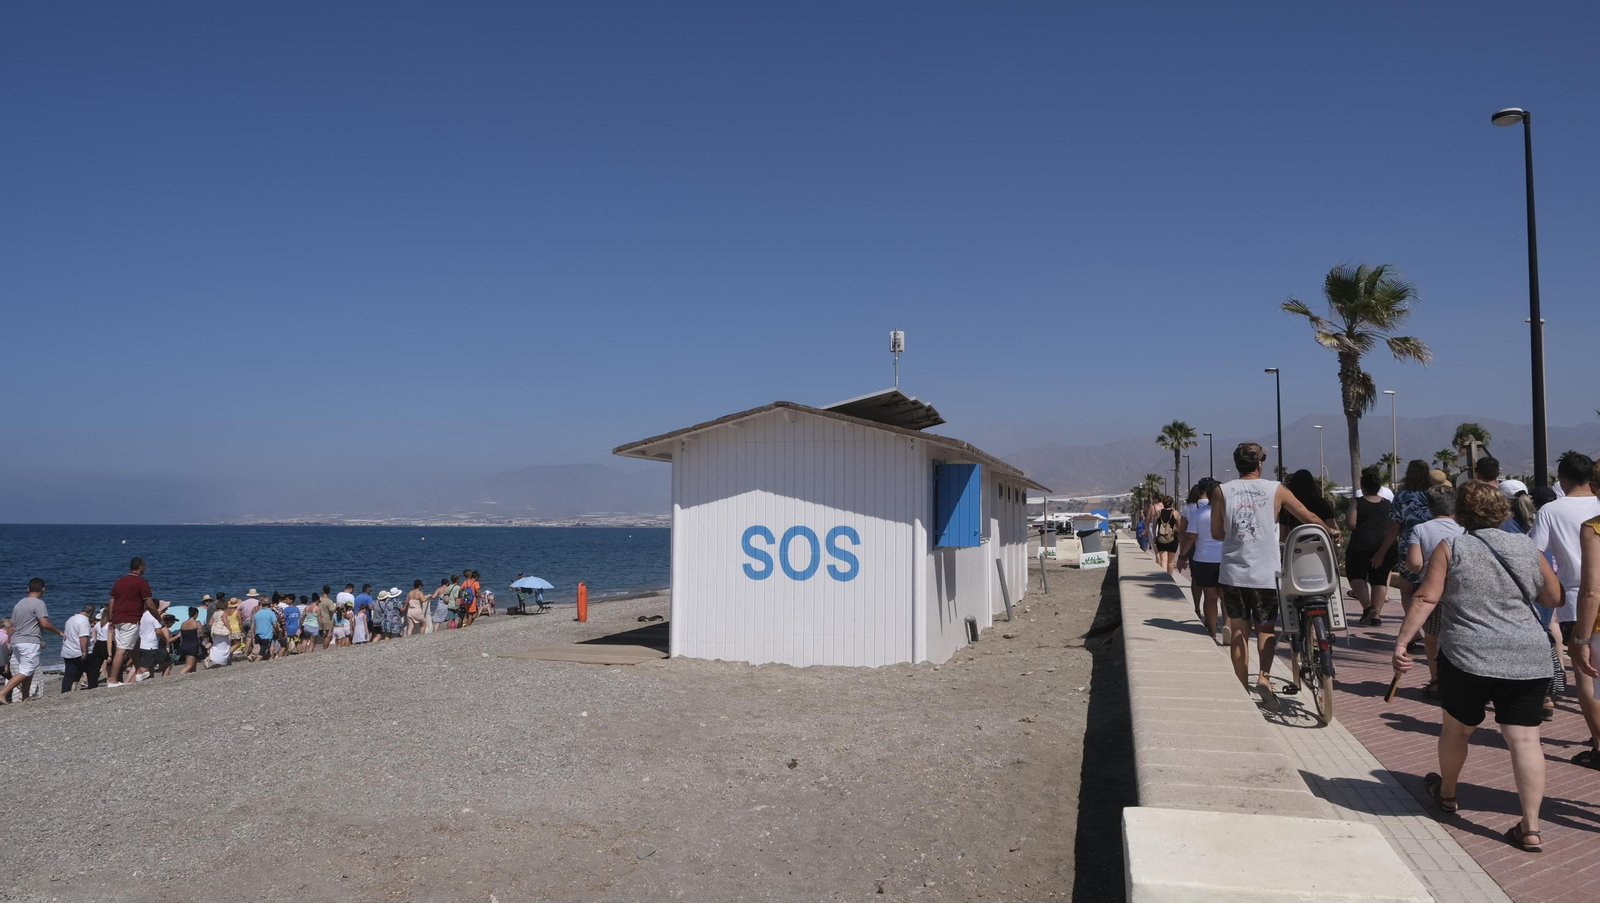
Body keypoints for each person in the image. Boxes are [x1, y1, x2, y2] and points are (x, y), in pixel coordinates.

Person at [1392, 481, 1561, 852]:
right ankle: (1531, 827)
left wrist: (1404, 641)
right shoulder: (1527, 546)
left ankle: (1448, 794)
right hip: (1528, 657)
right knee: (1525, 739)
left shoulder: (1452, 546)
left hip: (1468, 656)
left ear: (1460, 513)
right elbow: (1552, 595)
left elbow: (1426, 596)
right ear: (1502, 511)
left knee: (1457, 730)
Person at [1208, 443, 1321, 711]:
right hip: (1265, 575)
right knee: (1265, 630)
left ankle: (1240, 686)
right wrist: (1331, 531)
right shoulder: (1276, 489)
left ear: (1237, 464)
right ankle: (1264, 678)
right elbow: (1308, 517)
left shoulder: (1221, 491)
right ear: (1260, 463)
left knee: (1238, 630)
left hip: (1233, 573)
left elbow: (1216, 533)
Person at [1530, 452, 1600, 755]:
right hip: (1583, 598)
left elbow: (1535, 552)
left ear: (1562, 478)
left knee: (1586, 675)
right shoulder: (1596, 506)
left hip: (1576, 601)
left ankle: (1598, 742)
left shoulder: (1551, 510)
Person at [1404, 485, 1465, 698]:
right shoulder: (1464, 528)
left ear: (1429, 506)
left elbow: (1415, 563)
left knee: (1432, 638)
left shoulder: (1421, 529)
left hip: (1433, 590)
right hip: (1461, 590)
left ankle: (1436, 679)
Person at [1373, 462, 1434, 651]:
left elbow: (1395, 527)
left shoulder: (1401, 496)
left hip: (1409, 545)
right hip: (1433, 544)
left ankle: (1415, 632)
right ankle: (1433, 631)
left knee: (1407, 591)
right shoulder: (1433, 495)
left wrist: (1381, 551)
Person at [1346, 468, 1397, 626]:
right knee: (1379, 579)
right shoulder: (1388, 503)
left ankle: (1369, 608)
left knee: (1356, 576)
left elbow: (1351, 524)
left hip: (1361, 546)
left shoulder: (1358, 502)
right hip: (1386, 547)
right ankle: (1376, 616)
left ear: (1363, 487)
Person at [1177, 479, 1224, 643]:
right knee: (1225, 597)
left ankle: (1211, 631)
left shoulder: (1198, 513)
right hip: (1226, 559)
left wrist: (1182, 556)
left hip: (1204, 559)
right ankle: (1228, 629)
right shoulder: (1229, 513)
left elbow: (1191, 537)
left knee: (1210, 597)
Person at [3, 579, 63, 703]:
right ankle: (2, 692)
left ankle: (26, 697)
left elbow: (12, 626)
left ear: (28, 589)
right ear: (43, 589)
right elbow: (45, 624)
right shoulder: (38, 603)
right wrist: (59, 632)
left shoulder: (19, 604)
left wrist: (9, 641)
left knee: (26, 669)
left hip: (16, 641)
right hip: (29, 641)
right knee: (28, 670)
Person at [108, 557, 157, 687]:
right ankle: (112, 680)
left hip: (118, 618)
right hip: (130, 618)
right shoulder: (141, 582)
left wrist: (111, 618)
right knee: (122, 649)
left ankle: (139, 671)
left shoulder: (119, 581)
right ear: (141, 567)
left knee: (136, 642)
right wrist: (159, 618)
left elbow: (112, 601)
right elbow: (150, 604)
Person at [60, 603, 97, 692]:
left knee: (69, 673)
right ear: (90, 613)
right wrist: (84, 651)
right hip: (78, 651)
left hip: (68, 649)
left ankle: (65, 691)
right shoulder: (84, 621)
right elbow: (83, 637)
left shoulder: (71, 619)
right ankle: (92, 687)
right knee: (91, 670)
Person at [132, 603, 172, 682]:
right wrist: (165, 639)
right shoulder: (154, 616)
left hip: (140, 643)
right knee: (144, 669)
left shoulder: (142, 615)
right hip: (150, 645)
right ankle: (131, 683)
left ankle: (150, 681)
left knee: (147, 666)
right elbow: (158, 631)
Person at [1151, 498, 1182, 574]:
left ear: (1163, 504)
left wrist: (1154, 537)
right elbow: (1179, 527)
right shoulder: (1175, 513)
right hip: (1172, 538)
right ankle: (1170, 580)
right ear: (1171, 503)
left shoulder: (1158, 513)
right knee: (1171, 562)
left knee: (1162, 560)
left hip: (1161, 538)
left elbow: (1154, 527)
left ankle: (1163, 578)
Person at [88, 607, 111, 685]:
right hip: (106, 643)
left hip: (98, 644)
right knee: (111, 663)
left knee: (95, 665)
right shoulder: (109, 624)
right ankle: (111, 679)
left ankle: (92, 683)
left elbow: (95, 635)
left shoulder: (98, 624)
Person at [207, 601, 233, 667]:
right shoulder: (223, 613)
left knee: (216, 646)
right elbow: (225, 621)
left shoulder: (215, 613)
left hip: (215, 632)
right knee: (224, 646)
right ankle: (221, 661)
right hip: (222, 632)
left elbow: (210, 623)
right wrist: (229, 629)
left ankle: (211, 658)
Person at [178, 608, 202, 674]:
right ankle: (179, 677)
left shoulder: (183, 624)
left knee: (193, 664)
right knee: (189, 665)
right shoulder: (197, 623)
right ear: (196, 614)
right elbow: (201, 634)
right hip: (193, 645)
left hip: (184, 645)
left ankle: (193, 677)